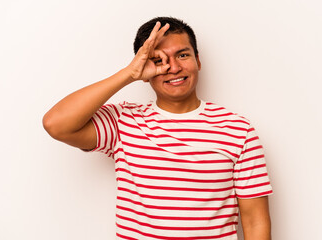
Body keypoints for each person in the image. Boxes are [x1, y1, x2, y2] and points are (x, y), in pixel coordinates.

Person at [43, 16, 273, 240]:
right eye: (159, 60)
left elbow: (255, 221)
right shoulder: (124, 121)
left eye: (183, 55)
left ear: (198, 60)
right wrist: (128, 74)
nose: (173, 67)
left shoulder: (237, 130)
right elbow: (56, 124)